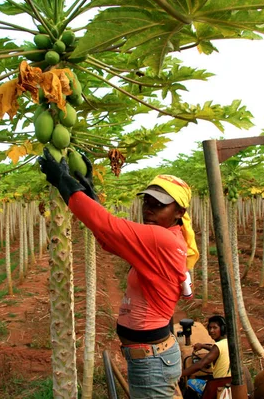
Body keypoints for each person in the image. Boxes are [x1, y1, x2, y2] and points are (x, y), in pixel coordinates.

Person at [38, 148, 199, 398]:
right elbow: (110, 240)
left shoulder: (161, 239)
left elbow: (108, 227)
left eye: (159, 205)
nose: (149, 209)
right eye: (147, 201)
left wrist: (63, 182)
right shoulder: (166, 238)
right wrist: (90, 194)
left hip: (153, 361)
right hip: (151, 358)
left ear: (179, 213)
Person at [181, 315, 231, 399]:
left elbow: (201, 364)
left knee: (190, 382)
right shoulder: (229, 343)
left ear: (222, 329)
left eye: (215, 328)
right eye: (210, 328)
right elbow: (217, 350)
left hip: (218, 385)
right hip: (230, 383)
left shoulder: (217, 347)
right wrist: (203, 346)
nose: (211, 331)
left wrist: (181, 374)